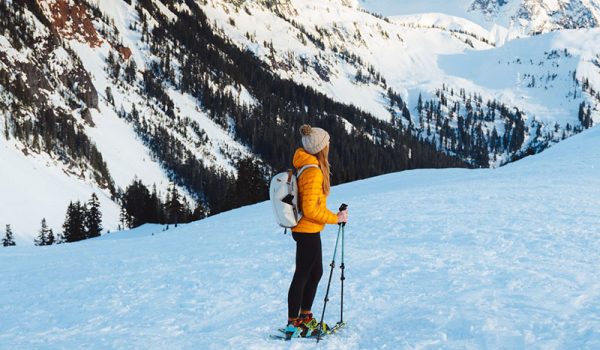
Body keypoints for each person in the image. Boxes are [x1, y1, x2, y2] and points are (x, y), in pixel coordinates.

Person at [284, 124, 349, 338]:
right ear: (321, 147)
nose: (329, 145)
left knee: (315, 272)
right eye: (327, 143)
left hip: (308, 229)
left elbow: (312, 205)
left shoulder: (308, 165)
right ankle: (294, 323)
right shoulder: (312, 171)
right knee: (303, 273)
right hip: (306, 230)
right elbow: (311, 209)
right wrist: (335, 218)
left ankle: (305, 317)